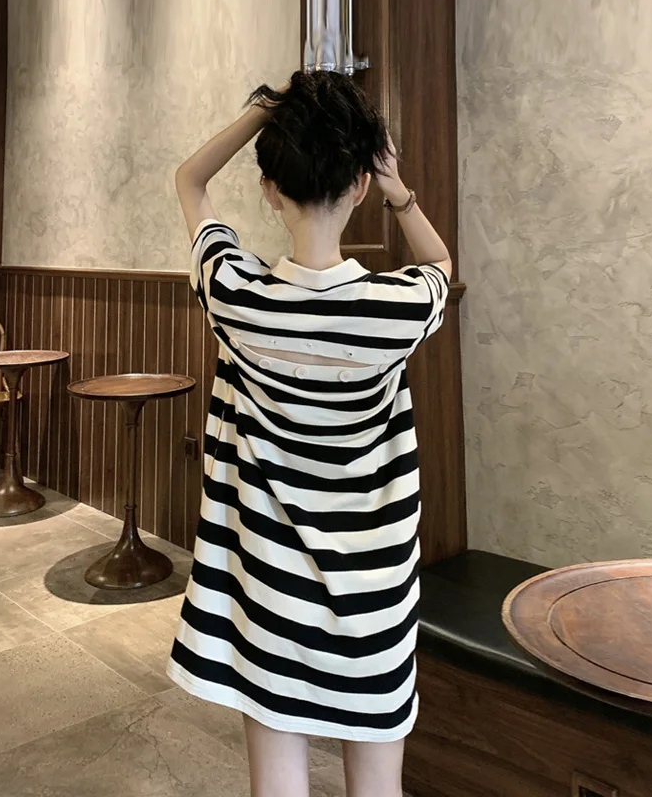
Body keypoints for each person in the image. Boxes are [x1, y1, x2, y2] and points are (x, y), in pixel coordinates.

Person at [167, 70, 452, 797]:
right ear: (358, 185)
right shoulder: (395, 309)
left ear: (269, 190)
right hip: (376, 598)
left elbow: (190, 180)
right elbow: (442, 267)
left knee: (277, 782)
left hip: (269, 590)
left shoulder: (235, 297)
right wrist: (397, 190)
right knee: (378, 784)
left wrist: (261, 112)